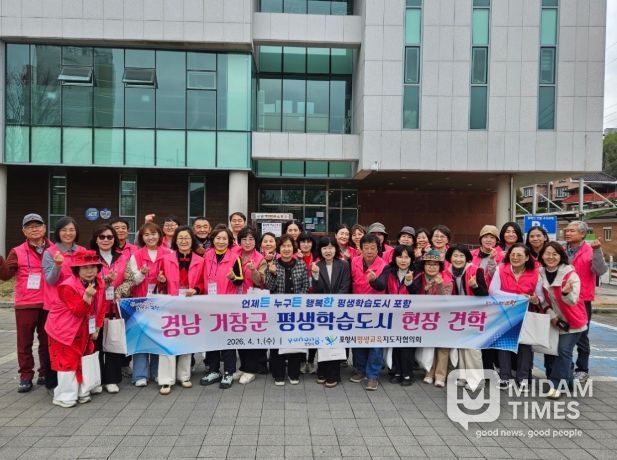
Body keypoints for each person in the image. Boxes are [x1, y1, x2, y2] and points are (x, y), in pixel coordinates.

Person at [44, 249, 105, 408]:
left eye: (93, 267)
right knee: (68, 361)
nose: (90, 271)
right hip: (64, 330)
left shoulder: (99, 282)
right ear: (77, 269)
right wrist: (87, 296)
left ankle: (83, 391)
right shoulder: (67, 286)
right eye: (85, 267)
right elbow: (78, 311)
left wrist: (97, 327)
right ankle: (66, 396)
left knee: (84, 357)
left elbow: (101, 306)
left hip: (84, 328)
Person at [0, 213, 52, 393]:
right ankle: (25, 376)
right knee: (24, 342)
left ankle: (44, 372)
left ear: (44, 228)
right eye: (30, 227)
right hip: (26, 304)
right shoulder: (17, 251)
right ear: (24, 231)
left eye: (38, 225)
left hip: (49, 303)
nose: (34, 229)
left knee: (47, 342)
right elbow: (6, 275)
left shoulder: (54, 249)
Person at [489, 243, 544, 392]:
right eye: (512, 254)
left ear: (527, 258)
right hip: (505, 314)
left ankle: (523, 379)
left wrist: (535, 299)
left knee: (525, 346)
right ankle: (505, 377)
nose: (515, 257)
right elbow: (493, 291)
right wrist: (517, 297)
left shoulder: (536, 273)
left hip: (526, 314)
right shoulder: (501, 269)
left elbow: (541, 297)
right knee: (504, 345)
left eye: (519, 255)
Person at [538, 242, 589, 399]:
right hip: (554, 320)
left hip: (574, 321)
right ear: (542, 256)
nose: (551, 257)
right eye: (547, 253)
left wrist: (566, 293)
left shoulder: (570, 275)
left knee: (563, 350)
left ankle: (556, 385)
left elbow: (573, 300)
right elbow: (542, 300)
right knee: (554, 352)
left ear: (561, 256)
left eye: (555, 254)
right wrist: (552, 315)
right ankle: (569, 382)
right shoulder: (539, 273)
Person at [157, 226, 204, 395]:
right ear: (175, 241)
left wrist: (196, 290)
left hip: (190, 304)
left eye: (187, 238)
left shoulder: (200, 260)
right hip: (170, 305)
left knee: (186, 340)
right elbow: (160, 284)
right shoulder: (166, 258)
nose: (184, 241)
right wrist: (161, 280)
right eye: (180, 238)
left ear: (192, 241)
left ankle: (184, 376)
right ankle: (165, 380)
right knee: (167, 341)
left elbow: (203, 283)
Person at [42, 217, 84, 390]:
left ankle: (75, 382)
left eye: (71, 230)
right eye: (64, 230)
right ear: (58, 232)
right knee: (55, 346)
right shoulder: (50, 252)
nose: (68, 233)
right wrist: (58, 265)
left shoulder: (81, 251)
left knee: (76, 344)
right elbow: (50, 280)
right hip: (57, 308)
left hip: (78, 306)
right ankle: (52, 383)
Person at [90, 224, 133, 395]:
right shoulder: (90, 258)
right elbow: (83, 280)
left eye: (109, 237)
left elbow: (130, 280)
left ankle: (112, 379)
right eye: (102, 237)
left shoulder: (123, 257)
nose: (106, 240)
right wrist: (104, 283)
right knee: (96, 345)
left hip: (115, 308)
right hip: (95, 309)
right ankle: (97, 379)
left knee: (113, 344)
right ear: (96, 239)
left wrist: (119, 291)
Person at [564, 221, 608, 383]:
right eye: (567, 230)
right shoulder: (561, 250)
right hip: (562, 298)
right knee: (562, 334)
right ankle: (566, 367)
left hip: (582, 300)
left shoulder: (591, 250)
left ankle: (582, 369)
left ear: (583, 234)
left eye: (572, 231)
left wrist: (597, 251)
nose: (568, 233)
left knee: (582, 336)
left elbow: (600, 270)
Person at [127, 222, 170, 387]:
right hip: (140, 302)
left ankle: (157, 372)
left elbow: (172, 279)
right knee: (140, 338)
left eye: (153, 234)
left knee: (158, 337)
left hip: (161, 302)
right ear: (141, 237)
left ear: (159, 235)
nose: (150, 237)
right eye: (146, 235)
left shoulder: (168, 253)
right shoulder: (136, 255)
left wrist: (163, 280)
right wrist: (141, 273)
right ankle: (140, 374)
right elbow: (132, 281)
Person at [201, 226, 244, 389]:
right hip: (209, 304)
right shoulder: (207, 255)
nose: (221, 241)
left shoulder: (235, 257)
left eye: (224, 238)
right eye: (218, 238)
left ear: (229, 241)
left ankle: (228, 372)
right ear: (213, 240)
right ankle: (213, 370)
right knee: (211, 339)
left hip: (227, 305)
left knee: (227, 340)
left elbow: (240, 281)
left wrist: (233, 277)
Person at [265, 235, 309, 386]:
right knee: (277, 341)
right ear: (279, 249)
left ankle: (293, 373)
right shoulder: (273, 265)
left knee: (294, 341)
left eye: (289, 246)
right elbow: (269, 287)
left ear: (293, 248)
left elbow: (305, 287)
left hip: (296, 311)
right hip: (277, 311)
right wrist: (272, 273)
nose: (286, 249)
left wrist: (297, 303)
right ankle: (278, 374)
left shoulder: (301, 265)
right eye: (283, 246)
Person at [446, 244, 488, 390]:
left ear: (467, 258)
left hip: (474, 314)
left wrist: (475, 286)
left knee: (472, 348)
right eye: (455, 256)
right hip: (458, 315)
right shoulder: (448, 272)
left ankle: (477, 380)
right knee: (462, 347)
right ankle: (464, 378)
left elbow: (485, 295)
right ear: (450, 258)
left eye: (461, 256)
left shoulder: (476, 270)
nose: (458, 259)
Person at [310, 236, 351, 388]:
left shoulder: (344, 264)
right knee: (322, 341)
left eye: (331, 247)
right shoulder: (316, 265)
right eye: (324, 248)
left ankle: (334, 375)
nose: (328, 251)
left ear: (336, 249)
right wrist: (315, 275)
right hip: (322, 310)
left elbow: (345, 286)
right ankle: (322, 370)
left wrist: (334, 303)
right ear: (320, 250)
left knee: (334, 342)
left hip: (338, 309)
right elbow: (317, 290)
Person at [349, 234, 387, 390]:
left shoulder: (384, 265)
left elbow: (382, 285)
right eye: (366, 248)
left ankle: (372, 375)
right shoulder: (353, 261)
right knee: (358, 341)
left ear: (378, 248)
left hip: (376, 310)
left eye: (373, 248)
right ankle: (360, 369)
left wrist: (374, 281)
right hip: (356, 308)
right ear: (361, 249)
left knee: (375, 344)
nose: (369, 251)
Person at [412, 249, 454, 388]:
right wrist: (426, 289)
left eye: (435, 265)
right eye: (428, 264)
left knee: (442, 346)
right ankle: (429, 372)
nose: (431, 267)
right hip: (426, 318)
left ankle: (440, 376)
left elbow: (447, 301)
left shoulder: (447, 279)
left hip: (443, 317)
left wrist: (440, 285)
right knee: (429, 346)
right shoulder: (419, 277)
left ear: (440, 266)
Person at [235, 226, 269, 385]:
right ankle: (243, 366)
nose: (247, 242)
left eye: (251, 239)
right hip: (234, 300)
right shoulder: (234, 254)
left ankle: (251, 369)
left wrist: (254, 270)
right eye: (244, 239)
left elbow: (260, 282)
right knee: (239, 334)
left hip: (252, 302)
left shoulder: (260, 258)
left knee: (251, 336)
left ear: (256, 242)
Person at [380, 245, 415, 386]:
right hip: (393, 315)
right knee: (395, 344)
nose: (403, 260)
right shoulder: (389, 271)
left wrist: (409, 283)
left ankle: (407, 374)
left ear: (411, 259)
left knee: (407, 346)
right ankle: (397, 371)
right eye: (400, 257)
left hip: (410, 316)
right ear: (395, 258)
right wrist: (373, 281)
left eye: (407, 257)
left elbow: (417, 292)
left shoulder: (417, 273)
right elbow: (380, 285)